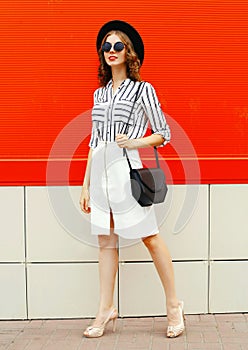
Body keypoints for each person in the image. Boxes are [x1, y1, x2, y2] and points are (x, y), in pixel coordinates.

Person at [80, 20, 185, 338]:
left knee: (150, 237)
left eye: (117, 46)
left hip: (128, 169)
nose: (111, 51)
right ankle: (105, 309)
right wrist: (85, 185)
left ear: (129, 52)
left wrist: (134, 142)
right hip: (100, 172)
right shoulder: (99, 94)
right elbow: (94, 141)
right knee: (105, 242)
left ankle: (173, 306)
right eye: (106, 47)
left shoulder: (143, 89)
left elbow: (163, 133)